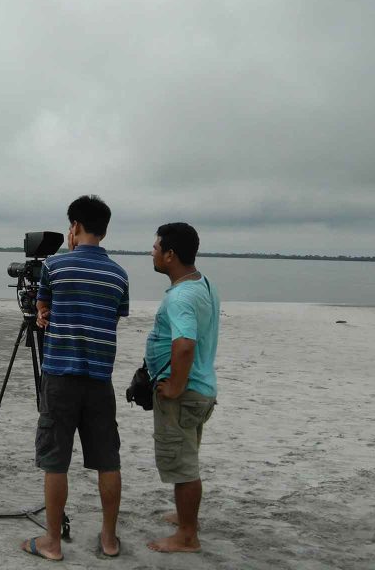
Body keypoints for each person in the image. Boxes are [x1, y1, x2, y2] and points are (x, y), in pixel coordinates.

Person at [20, 195, 129, 561]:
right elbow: (111, 319)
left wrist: (43, 313)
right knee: (107, 459)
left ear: (75, 227)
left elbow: (43, 309)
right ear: (105, 228)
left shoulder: (55, 266)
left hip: (60, 375)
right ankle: (109, 539)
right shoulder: (119, 274)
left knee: (55, 459)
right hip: (100, 377)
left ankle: (51, 542)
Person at [144, 222, 220, 553]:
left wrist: (174, 386)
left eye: (156, 247)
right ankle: (184, 516)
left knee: (182, 463)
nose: (153, 252)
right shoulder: (201, 283)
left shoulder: (182, 296)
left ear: (171, 255)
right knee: (186, 454)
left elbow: (185, 344)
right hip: (201, 387)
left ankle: (187, 535)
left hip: (185, 393)